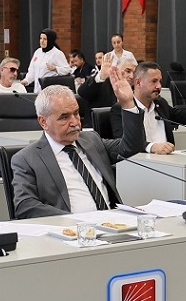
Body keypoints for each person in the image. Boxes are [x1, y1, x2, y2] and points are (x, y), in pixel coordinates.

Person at [9, 74, 145, 219]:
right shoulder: (27, 159)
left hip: (112, 223)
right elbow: (25, 205)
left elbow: (132, 146)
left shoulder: (91, 140)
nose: (75, 122)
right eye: (64, 117)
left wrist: (128, 103)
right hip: (71, 228)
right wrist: (75, 221)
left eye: (76, 113)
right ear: (43, 122)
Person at [124, 61, 186, 154]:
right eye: (154, 81)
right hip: (138, 161)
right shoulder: (124, 109)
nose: (159, 86)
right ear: (138, 82)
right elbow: (123, 144)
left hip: (167, 160)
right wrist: (152, 147)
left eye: (160, 81)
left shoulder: (161, 104)